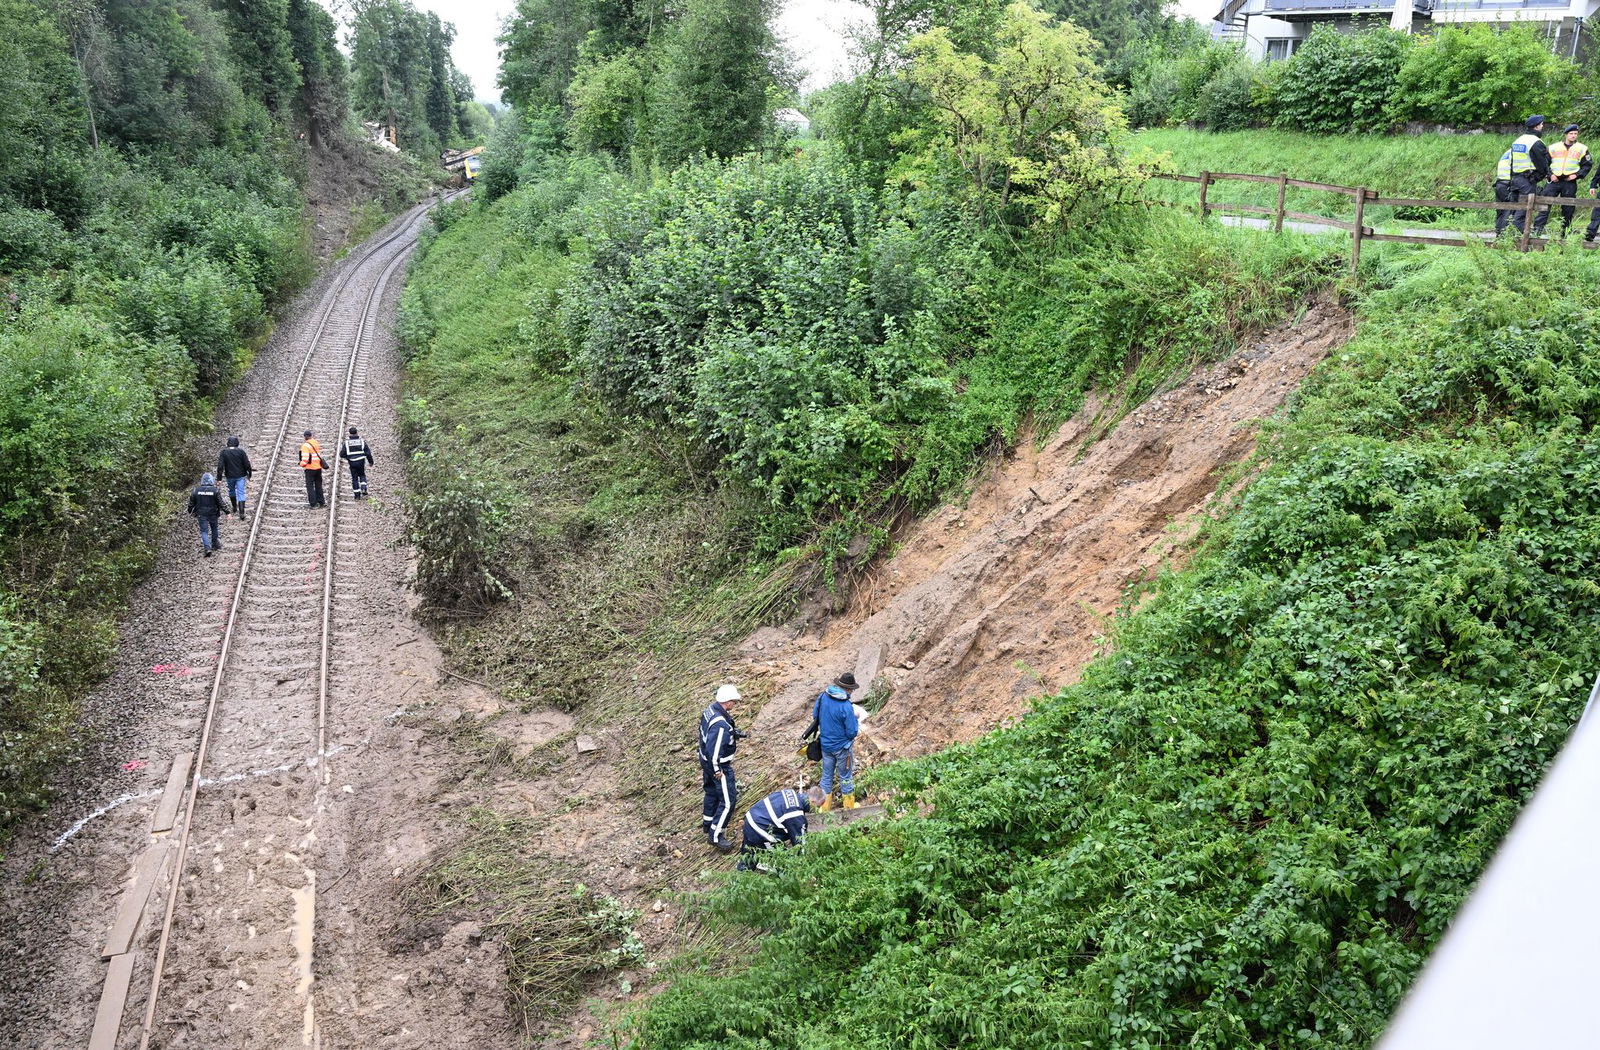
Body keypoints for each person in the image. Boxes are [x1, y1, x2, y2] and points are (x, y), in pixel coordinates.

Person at [699, 684, 744, 852]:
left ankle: (708, 823)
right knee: (728, 801)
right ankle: (716, 836)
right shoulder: (720, 725)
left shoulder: (710, 710)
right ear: (727, 702)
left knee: (711, 792)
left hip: (705, 761)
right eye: (734, 701)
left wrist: (732, 733)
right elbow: (715, 750)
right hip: (719, 767)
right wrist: (718, 770)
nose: (735, 704)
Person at [1494, 115, 1552, 237]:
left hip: (1515, 180)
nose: (1543, 126)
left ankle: (1504, 237)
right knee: (1524, 211)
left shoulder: (1518, 140)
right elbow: (1542, 164)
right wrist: (1540, 176)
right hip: (1527, 181)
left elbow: (1513, 162)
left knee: (1511, 210)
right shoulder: (1536, 142)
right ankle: (1526, 241)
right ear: (1537, 126)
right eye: (1542, 124)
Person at [736, 787, 812, 873]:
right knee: (782, 859)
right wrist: (805, 865)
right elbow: (800, 843)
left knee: (748, 856)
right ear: (812, 801)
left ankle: (739, 878)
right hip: (760, 831)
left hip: (751, 819)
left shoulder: (789, 792)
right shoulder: (795, 814)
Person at [814, 674, 861, 812]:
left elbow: (815, 716)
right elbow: (852, 732)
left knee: (826, 777)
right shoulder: (846, 706)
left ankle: (823, 811)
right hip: (842, 749)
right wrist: (855, 718)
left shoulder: (823, 697)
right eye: (852, 690)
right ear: (848, 689)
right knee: (846, 777)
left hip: (826, 746)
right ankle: (849, 809)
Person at [1535, 123, 1590, 237]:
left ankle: (1565, 233)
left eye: (1575, 133)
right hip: (1554, 181)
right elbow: (1544, 163)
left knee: (1568, 208)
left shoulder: (1582, 148)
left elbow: (1587, 165)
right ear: (1566, 134)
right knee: (1544, 205)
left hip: (1569, 181)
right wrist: (1550, 175)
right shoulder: (1553, 147)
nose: (1573, 136)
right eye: (1571, 133)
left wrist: (1577, 175)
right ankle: (1537, 231)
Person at [215, 436, 253, 519]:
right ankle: (242, 512)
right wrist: (249, 473)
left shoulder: (224, 452)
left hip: (230, 476)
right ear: (237, 443)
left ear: (228, 443)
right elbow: (247, 463)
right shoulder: (241, 452)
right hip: (240, 475)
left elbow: (220, 466)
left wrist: (219, 478)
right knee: (241, 492)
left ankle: (234, 507)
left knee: (231, 491)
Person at [188, 472, 224, 557]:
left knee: (204, 531)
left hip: (201, 514)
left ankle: (207, 548)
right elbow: (220, 503)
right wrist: (227, 512)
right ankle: (215, 544)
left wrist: (190, 511)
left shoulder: (196, 490)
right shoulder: (215, 490)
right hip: (213, 513)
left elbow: (191, 503)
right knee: (214, 528)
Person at [339, 426, 375, 499]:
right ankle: (364, 487)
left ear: (349, 434)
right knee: (362, 475)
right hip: (361, 461)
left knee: (354, 478)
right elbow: (368, 453)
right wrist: (371, 462)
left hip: (352, 462)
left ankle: (357, 495)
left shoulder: (346, 443)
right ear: (356, 433)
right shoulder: (362, 441)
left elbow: (341, 454)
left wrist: (348, 457)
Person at [299, 429, 326, 508]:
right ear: (311, 436)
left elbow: (305, 459)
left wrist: (301, 464)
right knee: (318, 485)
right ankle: (321, 502)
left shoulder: (305, 446)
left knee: (310, 486)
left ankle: (313, 504)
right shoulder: (315, 442)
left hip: (310, 469)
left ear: (305, 437)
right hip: (318, 467)